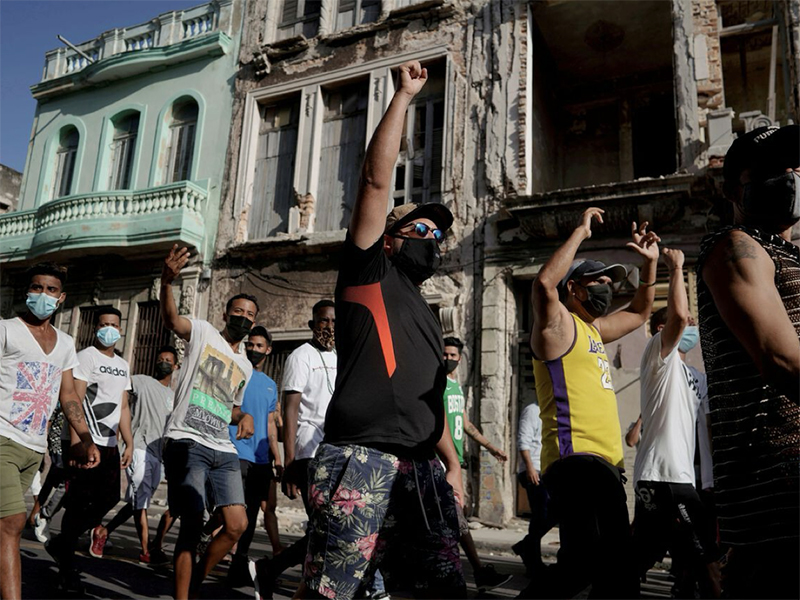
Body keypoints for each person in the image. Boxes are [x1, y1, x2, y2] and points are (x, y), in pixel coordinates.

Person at [296, 61, 466, 600]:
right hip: (361, 458)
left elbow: (427, 400)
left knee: (439, 589)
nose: (430, 239)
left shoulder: (425, 311)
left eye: (437, 234)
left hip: (423, 470)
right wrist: (404, 97)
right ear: (389, 238)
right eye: (418, 228)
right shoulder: (368, 272)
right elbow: (375, 179)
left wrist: (453, 464)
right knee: (338, 592)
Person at [528, 206, 660, 598]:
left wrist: (649, 265)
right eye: (598, 281)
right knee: (586, 561)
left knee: (617, 570)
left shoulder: (594, 330)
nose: (607, 287)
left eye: (609, 281)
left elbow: (639, 312)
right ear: (574, 288)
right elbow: (542, 286)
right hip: (576, 462)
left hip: (607, 465)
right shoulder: (557, 326)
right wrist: (581, 232)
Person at [696, 124, 800, 598]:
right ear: (734, 185)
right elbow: (782, 359)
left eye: (797, 166)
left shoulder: (786, 253)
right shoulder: (736, 247)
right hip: (779, 498)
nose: (792, 176)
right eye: (777, 168)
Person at [159, 244, 256, 600]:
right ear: (226, 313)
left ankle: (193, 578)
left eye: (249, 314)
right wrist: (166, 282)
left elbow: (229, 405)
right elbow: (172, 320)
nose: (243, 317)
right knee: (192, 521)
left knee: (236, 526)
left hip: (223, 446)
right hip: (187, 439)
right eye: (238, 311)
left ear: (254, 322)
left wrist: (243, 415)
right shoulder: (202, 332)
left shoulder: (245, 365)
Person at [0, 262, 100, 599]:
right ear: (27, 291)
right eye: (36, 287)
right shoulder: (6, 330)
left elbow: (68, 394)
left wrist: (84, 438)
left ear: (62, 298)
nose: (43, 295)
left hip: (33, 447)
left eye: (51, 290)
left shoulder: (66, 344)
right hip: (2, 438)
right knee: (12, 523)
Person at [632, 248, 720, 598]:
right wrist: (677, 268)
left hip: (684, 480)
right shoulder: (658, 357)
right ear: (659, 328)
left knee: (654, 560)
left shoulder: (695, 377)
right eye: (687, 323)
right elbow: (681, 317)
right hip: (663, 477)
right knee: (708, 565)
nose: (692, 326)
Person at [251, 300, 338, 599]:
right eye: (323, 321)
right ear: (312, 325)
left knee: (326, 529)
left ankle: (272, 570)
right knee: (323, 529)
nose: (329, 327)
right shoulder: (301, 356)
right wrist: (290, 463)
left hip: (335, 453)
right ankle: (288, 578)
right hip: (307, 454)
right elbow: (290, 411)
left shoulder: (342, 357)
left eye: (334, 322)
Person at [47, 306, 133, 588]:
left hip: (109, 445)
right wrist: (77, 444)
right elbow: (74, 398)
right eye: (103, 324)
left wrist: (128, 442)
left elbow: (122, 405)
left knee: (110, 497)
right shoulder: (85, 357)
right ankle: (66, 567)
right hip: (86, 441)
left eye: (114, 324)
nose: (109, 329)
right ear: (96, 327)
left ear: (120, 330)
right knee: (77, 503)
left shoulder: (123, 364)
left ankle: (62, 542)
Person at [93, 346, 180, 565]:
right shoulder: (141, 381)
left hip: (157, 454)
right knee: (141, 504)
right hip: (139, 448)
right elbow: (119, 390)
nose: (164, 363)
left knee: (136, 503)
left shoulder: (174, 396)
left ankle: (103, 531)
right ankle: (145, 551)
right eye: (160, 359)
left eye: (168, 360)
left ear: (176, 366)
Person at [441, 336, 511, 591]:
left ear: (460, 358)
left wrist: (491, 447)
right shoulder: (437, 384)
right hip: (443, 463)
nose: (448, 359)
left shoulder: (455, 386)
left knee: (453, 520)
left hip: (456, 461)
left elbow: (465, 424)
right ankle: (478, 571)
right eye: (444, 354)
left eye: (452, 355)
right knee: (456, 519)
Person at [226, 326, 281, 586]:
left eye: (260, 346)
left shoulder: (271, 386)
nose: (254, 349)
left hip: (261, 458)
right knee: (232, 510)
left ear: (268, 350)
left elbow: (271, 425)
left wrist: (277, 457)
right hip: (236, 451)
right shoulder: (236, 372)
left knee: (252, 515)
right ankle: (207, 545)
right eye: (251, 344)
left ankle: (239, 563)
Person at [512, 400, 555, 580]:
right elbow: (523, 441)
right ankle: (533, 562)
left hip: (547, 470)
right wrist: (529, 467)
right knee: (540, 516)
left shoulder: (551, 411)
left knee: (551, 514)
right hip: (534, 470)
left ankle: (526, 546)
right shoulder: (532, 410)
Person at [32, 404, 68, 543]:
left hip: (80, 439)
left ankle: (40, 514)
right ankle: (42, 515)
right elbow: (50, 414)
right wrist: (42, 439)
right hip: (59, 438)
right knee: (61, 478)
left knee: (58, 478)